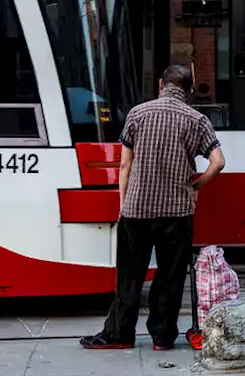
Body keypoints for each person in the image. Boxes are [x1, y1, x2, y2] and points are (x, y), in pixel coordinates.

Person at [80, 64, 227, 351]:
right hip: (177, 212)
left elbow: (125, 164)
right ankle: (162, 338)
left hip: (137, 211)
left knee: (130, 275)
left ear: (161, 84)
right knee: (170, 277)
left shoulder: (137, 113)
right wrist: (195, 186)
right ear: (189, 90)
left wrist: (124, 204)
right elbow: (218, 162)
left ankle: (120, 334)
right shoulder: (197, 120)